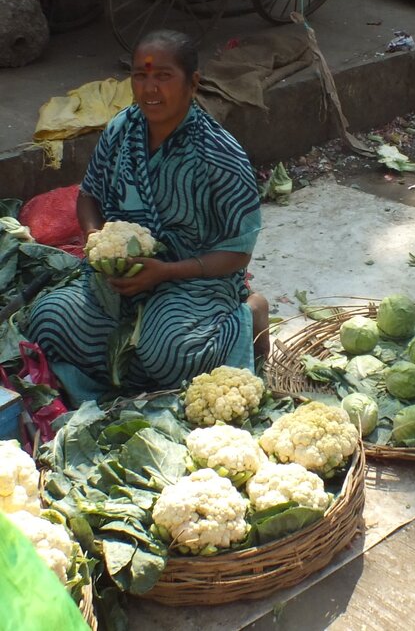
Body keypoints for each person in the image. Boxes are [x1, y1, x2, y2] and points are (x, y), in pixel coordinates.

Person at [26, 31, 269, 404]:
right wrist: (96, 241)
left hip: (193, 280)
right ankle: (127, 379)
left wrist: (164, 271)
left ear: (193, 83)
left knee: (169, 353)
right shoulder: (122, 129)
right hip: (120, 279)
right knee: (47, 318)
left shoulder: (220, 155)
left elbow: (238, 253)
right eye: (140, 75)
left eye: (164, 76)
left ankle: (247, 315)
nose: (150, 88)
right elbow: (89, 195)